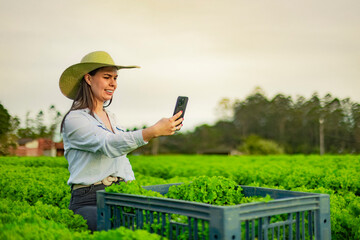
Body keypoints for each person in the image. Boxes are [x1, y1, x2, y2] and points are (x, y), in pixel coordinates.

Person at [59, 51, 183, 231]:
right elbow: (109, 145)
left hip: (120, 194)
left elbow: (121, 158)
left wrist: (135, 189)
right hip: (89, 199)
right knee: (114, 230)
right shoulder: (75, 119)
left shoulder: (112, 117)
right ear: (88, 79)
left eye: (116, 78)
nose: (113, 84)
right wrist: (152, 132)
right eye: (107, 77)